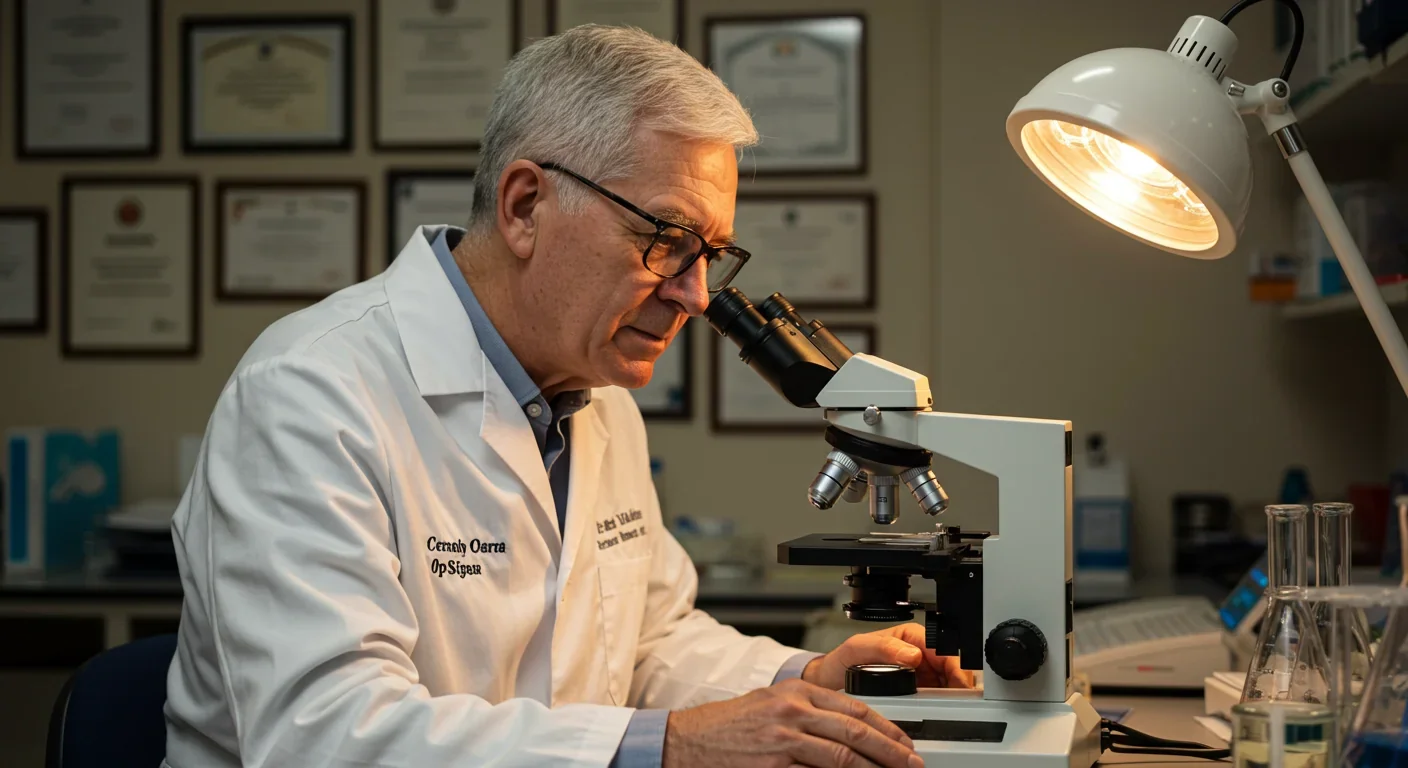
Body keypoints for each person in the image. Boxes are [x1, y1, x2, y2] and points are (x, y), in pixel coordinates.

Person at [163, 25, 971, 768]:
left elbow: (649, 642)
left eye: (711, 255)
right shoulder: (310, 395)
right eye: (666, 240)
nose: (693, 296)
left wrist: (809, 681)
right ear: (524, 207)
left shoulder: (590, 391)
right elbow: (328, 731)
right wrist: (672, 748)